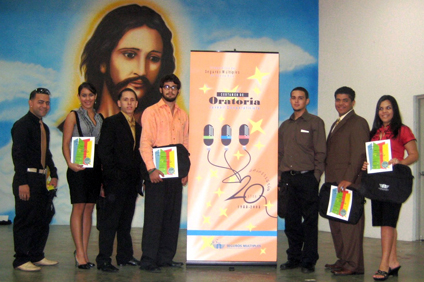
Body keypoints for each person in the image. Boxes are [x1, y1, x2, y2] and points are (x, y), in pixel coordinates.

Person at [80, 4, 176, 121]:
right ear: (103, 61)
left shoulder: (156, 129)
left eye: (153, 58)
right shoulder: (80, 126)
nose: (142, 71)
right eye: (130, 55)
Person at [362, 95, 418, 281]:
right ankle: (393, 261)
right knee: (385, 222)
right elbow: (373, 157)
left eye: (388, 108)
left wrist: (399, 162)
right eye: (381, 108)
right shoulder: (374, 132)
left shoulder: (402, 130)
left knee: (388, 223)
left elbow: (414, 154)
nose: (384, 111)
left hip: (394, 182)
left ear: (394, 110)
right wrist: (366, 164)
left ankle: (383, 265)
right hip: (376, 182)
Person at [139, 74, 188, 273]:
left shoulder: (183, 114)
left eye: (174, 87)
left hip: (176, 171)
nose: (170, 90)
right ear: (161, 89)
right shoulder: (151, 112)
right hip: (156, 171)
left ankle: (166, 257)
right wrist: (151, 168)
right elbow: (145, 143)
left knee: (171, 216)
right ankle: (148, 259)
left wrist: (185, 170)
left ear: (178, 90)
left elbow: (185, 144)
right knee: (154, 217)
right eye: (167, 87)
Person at [96, 88, 147, 272]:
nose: (129, 103)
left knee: (125, 223)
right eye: (125, 99)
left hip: (131, 184)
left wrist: (141, 179)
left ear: (136, 103)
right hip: (115, 183)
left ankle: (124, 256)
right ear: (119, 103)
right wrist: (111, 178)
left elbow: (140, 156)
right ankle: (103, 260)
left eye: (132, 100)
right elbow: (104, 152)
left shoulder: (139, 127)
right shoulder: (111, 122)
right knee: (110, 223)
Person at [278, 87, 326, 273]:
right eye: (293, 98)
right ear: (290, 100)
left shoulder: (315, 122)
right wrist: (280, 176)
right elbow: (280, 153)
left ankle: (308, 260)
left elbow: (321, 152)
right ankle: (294, 258)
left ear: (307, 101)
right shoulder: (285, 126)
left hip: (307, 178)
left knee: (310, 221)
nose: (296, 101)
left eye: (300, 98)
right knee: (291, 221)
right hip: (288, 180)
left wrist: (315, 177)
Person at [11, 88, 58, 271]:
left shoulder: (43, 127)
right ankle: (21, 259)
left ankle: (37, 255)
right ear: (31, 103)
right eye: (40, 102)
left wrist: (53, 174)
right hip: (27, 179)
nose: (44, 105)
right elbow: (18, 155)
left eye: (47, 102)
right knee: (25, 219)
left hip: (41, 179)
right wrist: (23, 182)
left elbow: (46, 154)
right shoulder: (22, 125)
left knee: (42, 218)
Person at [324, 86, 369, 276]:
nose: (340, 103)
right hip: (334, 182)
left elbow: (359, 153)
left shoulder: (358, 122)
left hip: (347, 183)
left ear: (352, 102)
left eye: (345, 100)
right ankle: (343, 259)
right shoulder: (337, 123)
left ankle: (353, 265)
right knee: (337, 223)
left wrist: (349, 179)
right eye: (338, 100)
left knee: (350, 225)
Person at [62, 82, 103, 269]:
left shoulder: (101, 117)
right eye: (84, 95)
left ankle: (84, 252)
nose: (88, 99)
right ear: (79, 97)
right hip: (78, 169)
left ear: (95, 97)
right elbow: (66, 142)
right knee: (78, 207)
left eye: (91, 95)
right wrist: (70, 163)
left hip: (95, 169)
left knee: (89, 209)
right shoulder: (73, 116)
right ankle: (79, 253)